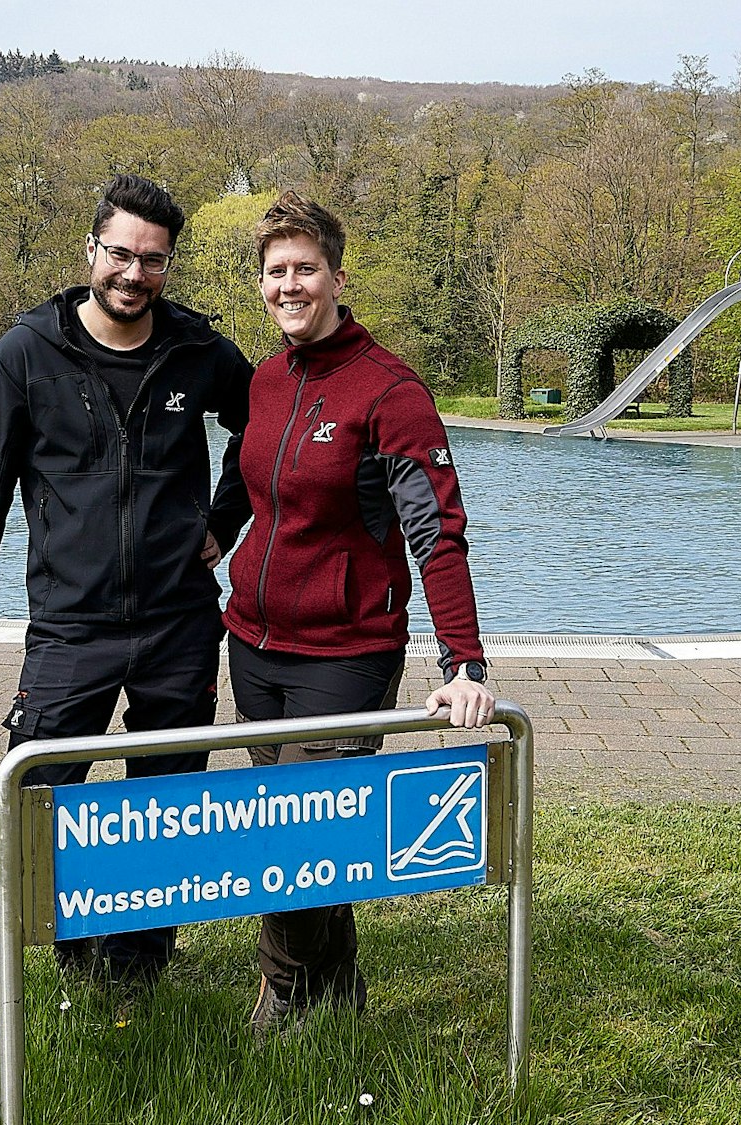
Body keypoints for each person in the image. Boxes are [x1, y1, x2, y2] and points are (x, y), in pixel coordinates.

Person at [0, 173, 253, 985]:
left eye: (153, 260)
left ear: (168, 265)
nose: (134, 274)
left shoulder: (197, 350)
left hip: (180, 618)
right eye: (121, 254)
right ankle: (70, 952)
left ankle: (139, 961)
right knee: (42, 782)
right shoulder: (24, 355)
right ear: (92, 250)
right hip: (72, 624)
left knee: (167, 801)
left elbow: (265, 421)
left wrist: (225, 519)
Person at [221, 191, 495, 1033]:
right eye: (276, 271)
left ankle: (281, 1000)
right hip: (254, 647)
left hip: (344, 654)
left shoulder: (390, 392)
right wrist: (208, 540)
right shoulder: (267, 378)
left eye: (305, 268)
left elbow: (436, 532)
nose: (290, 284)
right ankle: (339, 991)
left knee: (297, 848)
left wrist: (465, 663)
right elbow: (246, 480)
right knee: (302, 831)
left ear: (338, 276)